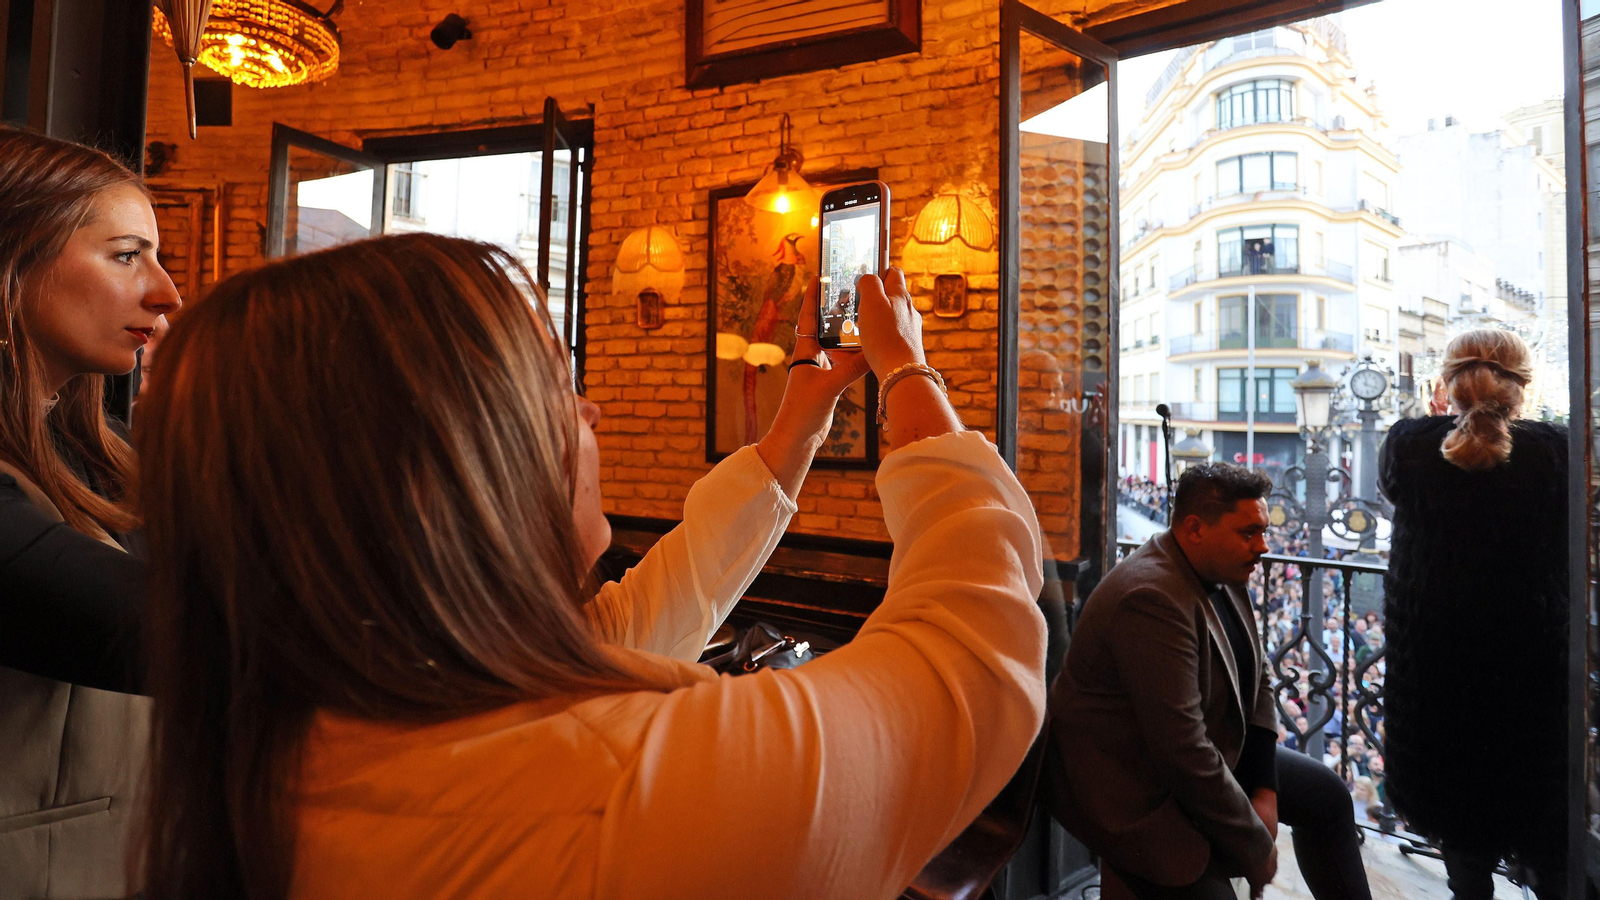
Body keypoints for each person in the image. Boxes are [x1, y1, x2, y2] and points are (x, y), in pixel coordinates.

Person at [135, 235, 1048, 900]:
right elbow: (971, 652)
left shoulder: (320, 737)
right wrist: (908, 373)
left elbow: (652, 609)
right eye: (557, 387)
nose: (594, 411)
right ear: (459, 464)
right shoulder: (629, 795)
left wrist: (799, 419)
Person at [1045, 462, 1371, 900]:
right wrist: (1256, 845)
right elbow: (1182, 751)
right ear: (1196, 528)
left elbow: (1259, 679)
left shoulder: (1221, 566)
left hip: (1200, 753)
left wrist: (1265, 788)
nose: (1263, 546)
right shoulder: (1151, 598)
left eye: (1263, 530)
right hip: (1133, 790)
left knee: (1327, 796)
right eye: (1249, 533)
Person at [0, 128, 181, 897]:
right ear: (12, 263)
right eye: (125, 254)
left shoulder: (104, 461)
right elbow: (176, 627)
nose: (167, 291)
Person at [1381, 328, 1567, 899]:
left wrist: (1442, 418)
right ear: (1523, 389)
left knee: (1464, 854)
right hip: (1529, 675)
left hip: (1438, 679)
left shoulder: (1408, 445)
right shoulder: (1557, 450)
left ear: (1446, 385)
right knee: (1547, 844)